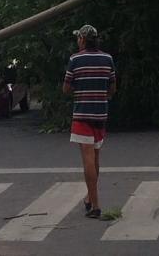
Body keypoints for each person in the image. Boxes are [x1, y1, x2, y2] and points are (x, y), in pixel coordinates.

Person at [62, 24, 116, 219]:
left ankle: (95, 205)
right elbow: (112, 89)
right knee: (95, 157)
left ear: (83, 40)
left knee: (87, 159)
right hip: (100, 114)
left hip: (82, 114)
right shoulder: (107, 59)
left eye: (78, 38)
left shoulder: (75, 60)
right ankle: (88, 197)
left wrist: (79, 87)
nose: (77, 41)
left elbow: (66, 89)